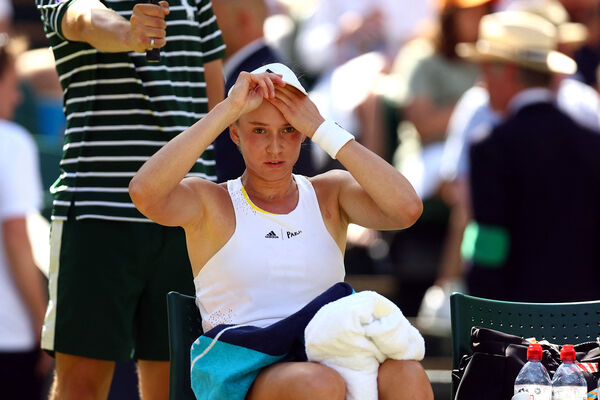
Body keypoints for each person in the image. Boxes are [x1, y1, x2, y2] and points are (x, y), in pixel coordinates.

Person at [129, 63, 432, 400]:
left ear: (302, 133)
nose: (275, 146)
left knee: (407, 374)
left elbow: (407, 209)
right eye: (259, 130)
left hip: (326, 353)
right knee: (318, 383)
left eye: (288, 129)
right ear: (235, 134)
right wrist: (228, 109)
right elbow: (144, 192)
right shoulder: (211, 201)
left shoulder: (330, 193)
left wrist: (321, 127)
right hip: (242, 366)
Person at [34, 0, 225, 398]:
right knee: (80, 386)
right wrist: (130, 33)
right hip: (98, 216)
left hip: (187, 217)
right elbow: (83, 19)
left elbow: (213, 97)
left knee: (175, 387)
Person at [457, 10, 600, 302]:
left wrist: (479, 312)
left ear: (506, 71)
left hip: (516, 323)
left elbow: (488, 246)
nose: (483, 83)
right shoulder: (593, 142)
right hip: (587, 324)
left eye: (486, 70)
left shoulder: (490, 146)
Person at [0, 34, 53, 400]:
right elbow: (16, 237)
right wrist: (41, 323)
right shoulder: (12, 142)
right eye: (11, 84)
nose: (17, 97)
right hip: (9, 337)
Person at [211, 0, 314, 182]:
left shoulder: (259, 81)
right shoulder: (265, 70)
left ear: (243, 19)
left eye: (211, 18)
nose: (203, 28)